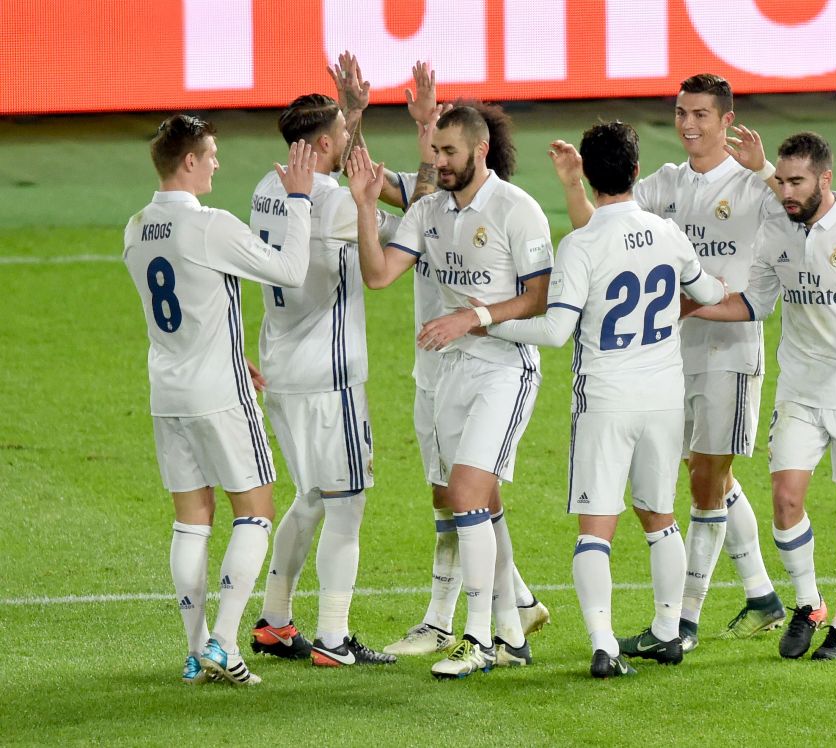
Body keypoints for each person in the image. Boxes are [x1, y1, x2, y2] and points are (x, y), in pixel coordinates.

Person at [550, 73, 786, 652]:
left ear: (727, 120)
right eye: (682, 112)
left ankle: (684, 620)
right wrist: (577, 186)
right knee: (703, 475)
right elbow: (603, 227)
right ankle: (759, 593)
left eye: (702, 114)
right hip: (671, 355)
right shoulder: (668, 183)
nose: (688, 124)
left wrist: (765, 171)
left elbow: (803, 205)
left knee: (707, 482)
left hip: (731, 349)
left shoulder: (751, 183)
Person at [484, 121, 726, 677]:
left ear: (588, 177)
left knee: (597, 528)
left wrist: (487, 324)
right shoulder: (668, 234)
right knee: (660, 517)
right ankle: (668, 632)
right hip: (664, 397)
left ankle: (603, 646)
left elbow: (553, 331)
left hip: (607, 398)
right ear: (637, 172)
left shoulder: (581, 244)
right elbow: (709, 292)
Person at [347, 104, 554, 679]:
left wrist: (472, 318)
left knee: (465, 491)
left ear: (479, 152)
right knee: (475, 500)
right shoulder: (430, 211)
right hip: (450, 372)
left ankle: (477, 637)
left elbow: (539, 298)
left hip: (504, 368)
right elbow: (379, 274)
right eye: (434, 152)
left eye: (447, 153)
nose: (437, 162)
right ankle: (512, 632)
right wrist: (365, 205)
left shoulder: (518, 210)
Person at [688, 131, 836, 660]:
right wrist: (691, 306)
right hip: (799, 391)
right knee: (786, 501)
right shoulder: (776, 231)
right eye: (780, 180)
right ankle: (809, 607)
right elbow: (755, 302)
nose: (785, 191)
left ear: (825, 179)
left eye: (796, 181)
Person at [123, 114, 316, 685]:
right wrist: (300, 198)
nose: (216, 163)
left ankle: (194, 648)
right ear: (188, 162)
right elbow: (291, 270)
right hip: (220, 394)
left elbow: (183, 306)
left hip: (168, 391)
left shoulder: (134, 228)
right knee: (255, 510)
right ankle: (225, 643)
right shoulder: (210, 225)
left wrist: (231, 344)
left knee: (191, 522)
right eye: (210, 154)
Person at [247, 66, 401, 668]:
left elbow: (332, 163)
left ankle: (276, 622)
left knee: (310, 496)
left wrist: (351, 113)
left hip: (282, 372)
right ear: (324, 145)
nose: (349, 140)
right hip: (329, 381)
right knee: (346, 502)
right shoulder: (336, 204)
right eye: (343, 132)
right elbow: (398, 239)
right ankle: (335, 638)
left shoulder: (267, 186)